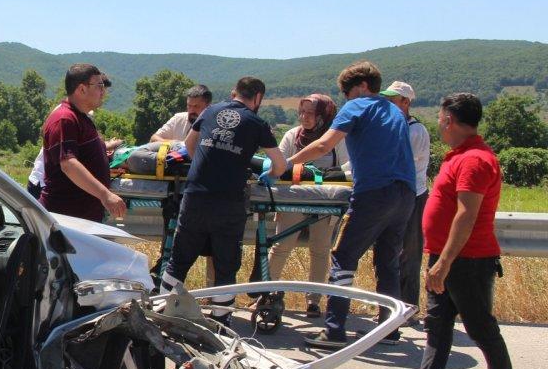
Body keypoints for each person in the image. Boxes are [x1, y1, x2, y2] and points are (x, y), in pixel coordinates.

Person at [379, 93, 522, 369]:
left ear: (449, 121)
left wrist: (443, 263)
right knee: (438, 327)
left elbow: (466, 215)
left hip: (466, 261)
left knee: (481, 329)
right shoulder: (461, 156)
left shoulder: (474, 160)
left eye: (442, 118)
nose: (440, 124)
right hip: (449, 259)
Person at [287, 61, 415, 349]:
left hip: (375, 192)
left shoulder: (358, 106)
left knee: (343, 258)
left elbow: (323, 145)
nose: (346, 98)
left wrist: (286, 164)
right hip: (405, 194)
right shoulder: (394, 110)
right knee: (387, 261)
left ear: (361, 86)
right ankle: (389, 328)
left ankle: (334, 330)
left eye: (347, 92)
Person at [160, 76, 286, 320]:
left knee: (179, 260)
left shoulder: (210, 111)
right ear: (258, 97)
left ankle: (160, 311)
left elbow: (188, 145)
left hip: (195, 197)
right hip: (228, 202)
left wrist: (205, 164)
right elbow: (280, 165)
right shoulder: (257, 123)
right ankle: (221, 320)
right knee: (226, 266)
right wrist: (269, 175)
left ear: (233, 93)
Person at [262, 94, 351, 317]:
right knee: (281, 247)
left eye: (311, 113)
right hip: (293, 199)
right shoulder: (293, 136)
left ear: (324, 115)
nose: (304, 117)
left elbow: (347, 167)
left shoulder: (337, 139)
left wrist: (326, 177)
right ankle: (265, 295)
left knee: (320, 250)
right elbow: (279, 162)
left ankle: (314, 301)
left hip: (326, 202)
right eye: (302, 112)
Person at [40, 64, 126, 222]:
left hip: (82, 217)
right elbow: (68, 164)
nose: (103, 91)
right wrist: (105, 194)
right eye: (99, 85)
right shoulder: (64, 119)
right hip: (67, 218)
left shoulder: (80, 117)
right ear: (81, 89)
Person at [375, 81, 431, 326]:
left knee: (409, 252)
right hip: (394, 193)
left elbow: (396, 159)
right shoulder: (390, 126)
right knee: (389, 253)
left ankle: (408, 309)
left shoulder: (416, 131)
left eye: (392, 99)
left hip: (414, 194)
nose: (387, 103)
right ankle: (390, 308)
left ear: (406, 102)